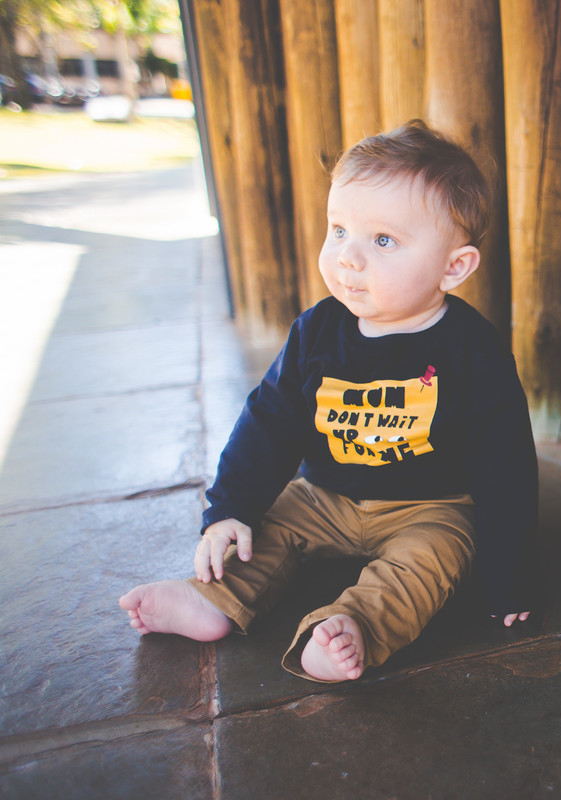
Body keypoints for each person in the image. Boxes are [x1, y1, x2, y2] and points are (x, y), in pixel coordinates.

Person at [119, 120, 538, 682]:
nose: (348, 257)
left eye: (382, 240)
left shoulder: (475, 351)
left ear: (453, 267)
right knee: (265, 525)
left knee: (434, 557)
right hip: (324, 495)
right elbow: (268, 422)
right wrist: (230, 509)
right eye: (338, 230)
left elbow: (504, 466)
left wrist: (508, 573)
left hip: (429, 505)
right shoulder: (316, 332)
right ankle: (214, 600)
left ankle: (354, 625)